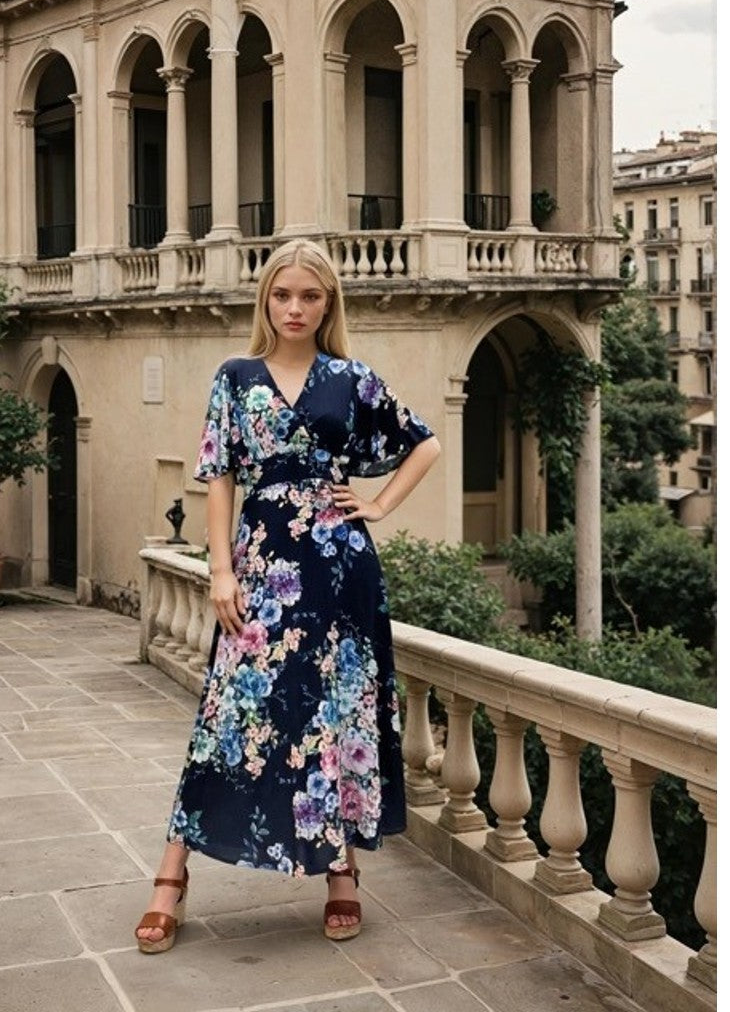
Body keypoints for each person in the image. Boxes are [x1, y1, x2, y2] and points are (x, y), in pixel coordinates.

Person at [134, 238, 441, 953]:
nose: (294, 308)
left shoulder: (351, 377)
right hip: (262, 571)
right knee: (227, 712)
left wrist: (378, 505)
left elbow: (424, 444)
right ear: (265, 300)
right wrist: (221, 570)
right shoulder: (236, 377)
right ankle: (171, 875)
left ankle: (341, 869)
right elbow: (219, 477)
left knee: (337, 712)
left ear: (329, 303)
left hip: (340, 574)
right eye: (282, 295)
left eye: (309, 296)